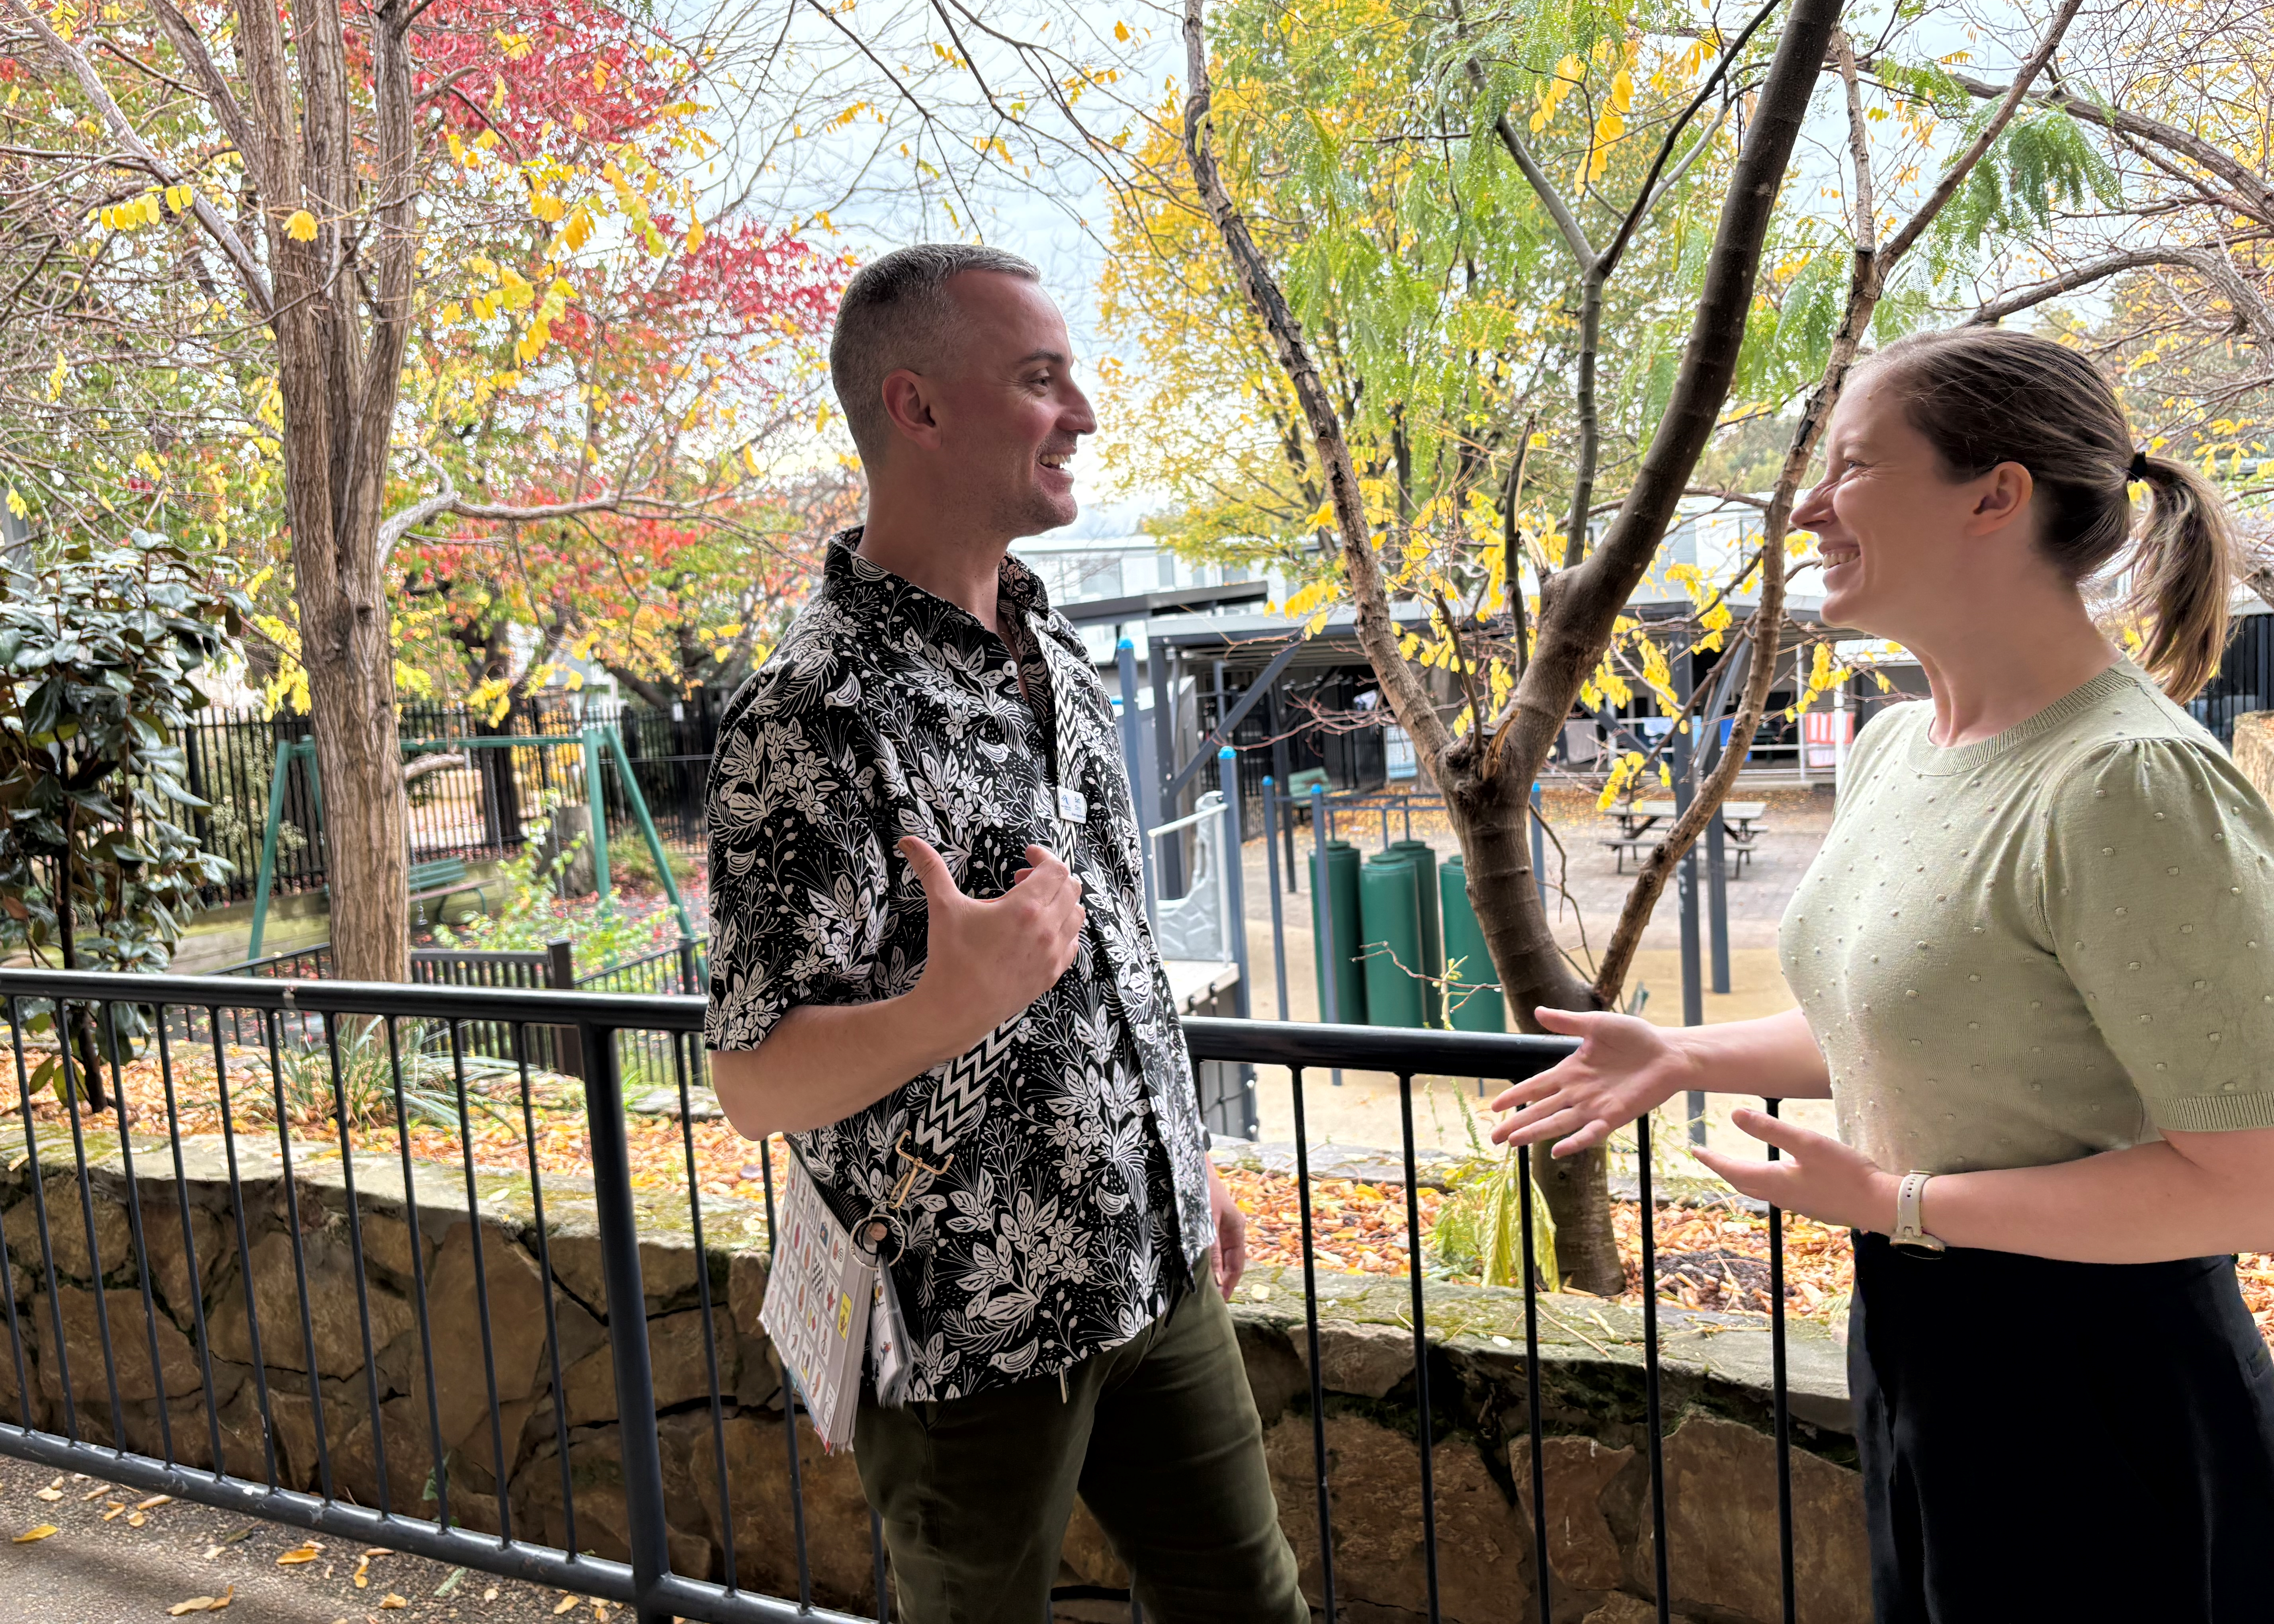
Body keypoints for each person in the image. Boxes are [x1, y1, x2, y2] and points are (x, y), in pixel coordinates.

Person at [1491, 329, 2274, 1624]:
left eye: (1853, 466)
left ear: (1995, 495)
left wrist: (1902, 1199)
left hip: (2106, 1388)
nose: (1806, 504)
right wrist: (1686, 1054)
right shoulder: (1897, 746)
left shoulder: (2127, 783)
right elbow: (1931, 1017)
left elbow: (2252, 1181)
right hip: (1915, 1346)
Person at [702, 243, 1306, 1624]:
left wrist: (1180, 1154)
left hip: (1154, 1264)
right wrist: (941, 1007)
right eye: (1042, 380)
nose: (1082, 412)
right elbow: (751, 1079)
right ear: (917, 409)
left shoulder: (1063, 652)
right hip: (967, 1322)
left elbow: (1113, 964)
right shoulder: (805, 716)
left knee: (1254, 1611)